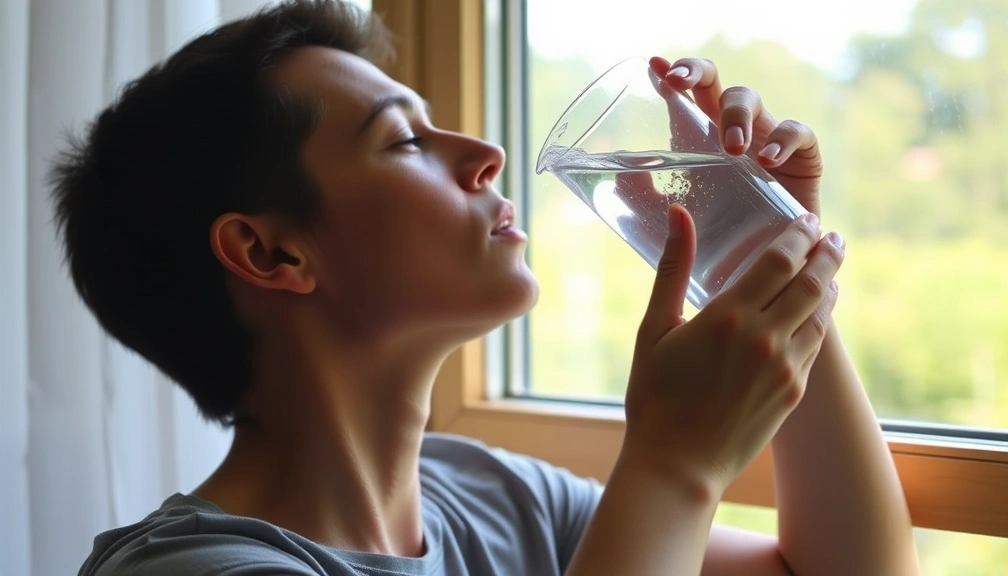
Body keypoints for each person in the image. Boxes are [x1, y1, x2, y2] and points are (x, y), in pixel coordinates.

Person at [52, 1, 920, 575]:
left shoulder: (496, 502)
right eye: (401, 141)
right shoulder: (190, 572)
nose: (482, 152)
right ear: (271, 254)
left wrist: (765, 252)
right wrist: (674, 468)